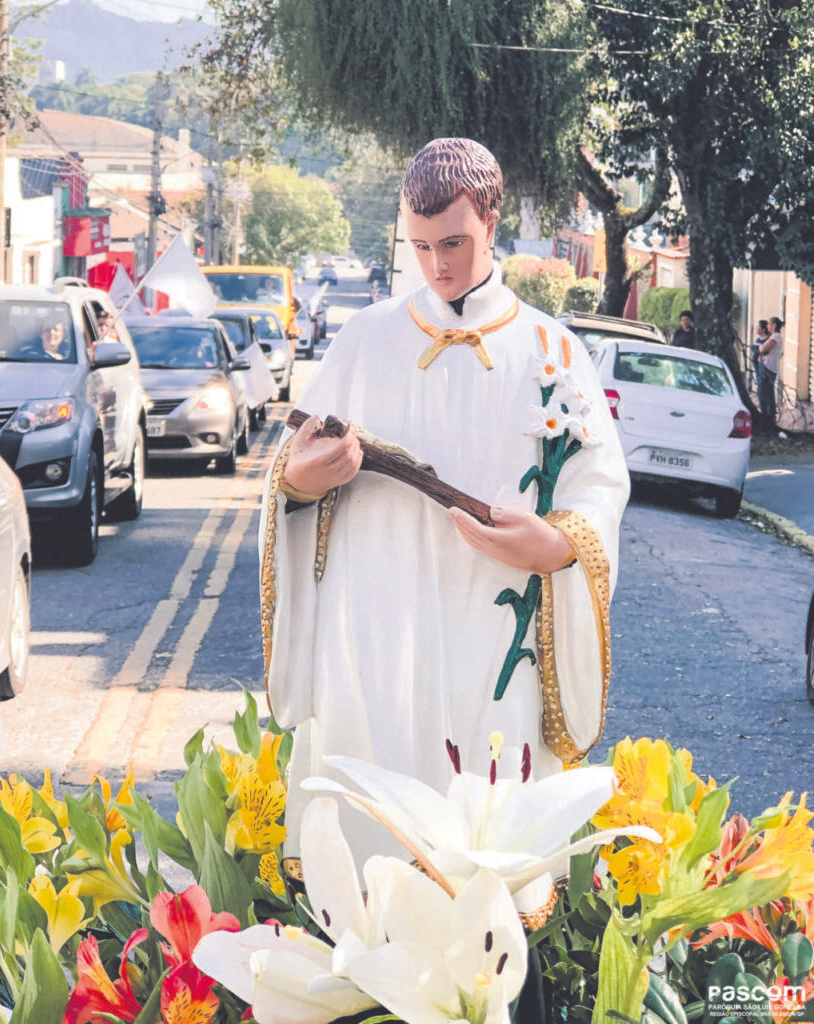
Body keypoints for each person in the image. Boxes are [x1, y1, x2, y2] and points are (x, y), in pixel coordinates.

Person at [259, 138, 630, 865]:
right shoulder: (364, 340)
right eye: (420, 245)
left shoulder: (552, 351)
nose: (436, 265)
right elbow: (290, 474)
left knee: (488, 829)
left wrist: (559, 544)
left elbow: (600, 485)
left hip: (495, 623)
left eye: (453, 242)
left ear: (490, 219)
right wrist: (304, 482)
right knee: (373, 830)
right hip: (373, 629)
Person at [757, 316, 784, 423]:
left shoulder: (776, 337)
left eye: (769, 324)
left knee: (765, 392)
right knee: (764, 391)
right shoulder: (773, 336)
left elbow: (764, 348)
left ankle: (768, 416)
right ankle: (767, 415)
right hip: (766, 366)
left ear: (774, 325)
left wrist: (761, 347)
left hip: (768, 367)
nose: (767, 326)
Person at [752, 320, 770, 389]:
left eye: (758, 327)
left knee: (762, 383)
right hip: (756, 365)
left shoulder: (767, 340)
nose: (756, 328)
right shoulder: (758, 339)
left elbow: (764, 351)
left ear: (763, 330)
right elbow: (754, 348)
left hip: (762, 365)